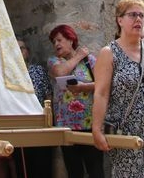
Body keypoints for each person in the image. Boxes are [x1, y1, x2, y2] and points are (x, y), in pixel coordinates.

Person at [91, 0, 144, 177]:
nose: (138, 19)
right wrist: (96, 129)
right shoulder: (109, 53)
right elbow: (101, 94)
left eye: (141, 15)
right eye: (133, 15)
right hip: (127, 133)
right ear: (119, 20)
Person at [47, 24, 103, 178]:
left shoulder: (89, 61)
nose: (56, 44)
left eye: (59, 40)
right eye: (54, 42)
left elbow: (103, 84)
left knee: (96, 170)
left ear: (71, 40)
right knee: (74, 171)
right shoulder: (54, 61)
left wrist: (84, 87)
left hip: (90, 124)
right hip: (66, 127)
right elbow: (59, 73)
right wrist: (78, 56)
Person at [14, 38, 52, 178]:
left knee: (43, 163)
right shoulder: (9, 75)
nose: (19, 52)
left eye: (22, 48)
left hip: (41, 122)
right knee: (24, 166)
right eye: (15, 48)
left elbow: (48, 95)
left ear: (27, 52)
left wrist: (49, 119)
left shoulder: (38, 70)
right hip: (20, 124)